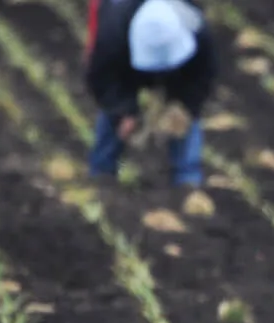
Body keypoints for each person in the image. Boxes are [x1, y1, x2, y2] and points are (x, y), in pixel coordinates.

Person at [84, 0, 218, 187]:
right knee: (112, 118)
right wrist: (125, 110)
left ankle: (187, 182)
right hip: (126, 66)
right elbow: (102, 80)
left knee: (184, 120)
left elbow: (202, 78)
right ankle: (101, 176)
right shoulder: (112, 33)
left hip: (181, 70)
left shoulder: (196, 27)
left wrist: (185, 106)